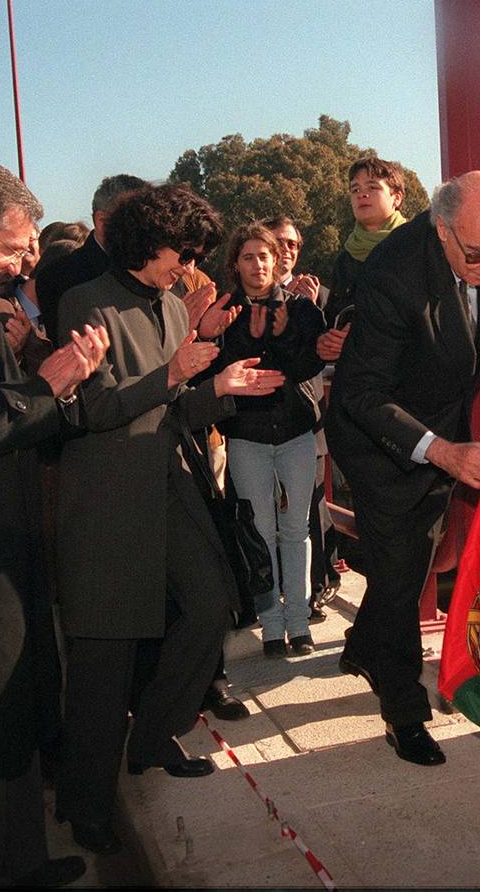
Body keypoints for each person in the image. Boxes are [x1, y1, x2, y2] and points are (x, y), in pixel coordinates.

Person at [55, 185, 283, 857]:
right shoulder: (83, 302)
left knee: (211, 608)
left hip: (170, 490)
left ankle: (153, 738)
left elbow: (174, 413)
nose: (186, 267)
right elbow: (90, 413)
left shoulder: (165, 307)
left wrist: (214, 389)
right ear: (145, 242)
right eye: (181, 254)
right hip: (107, 503)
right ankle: (86, 804)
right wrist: (174, 374)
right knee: (104, 658)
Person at [326, 170, 480, 767]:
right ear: (441, 230)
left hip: (442, 432)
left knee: (405, 568)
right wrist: (439, 450)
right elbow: (361, 393)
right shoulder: (390, 274)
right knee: (399, 565)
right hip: (380, 441)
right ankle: (403, 715)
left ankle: (362, 648)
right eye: (478, 254)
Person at [0, 158, 109, 886]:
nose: (18, 265)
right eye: (10, 248)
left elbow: (1, 415)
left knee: (11, 715)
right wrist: (44, 389)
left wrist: (54, 390)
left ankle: (23, 863)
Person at [215, 222, 326, 658]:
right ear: (235, 264)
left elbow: (309, 364)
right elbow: (223, 369)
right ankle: (271, 624)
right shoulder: (226, 312)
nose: (258, 264)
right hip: (247, 435)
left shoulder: (300, 308)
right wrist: (251, 339)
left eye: (265, 256)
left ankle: (298, 622)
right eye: (248, 256)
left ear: (277, 259)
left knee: (296, 529)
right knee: (259, 531)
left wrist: (282, 337)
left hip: (295, 431)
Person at [264, 216, 340, 623]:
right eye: (279, 242)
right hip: (258, 420)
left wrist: (312, 309)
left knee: (311, 509)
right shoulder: (251, 295)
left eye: (293, 244)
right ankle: (273, 591)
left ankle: (314, 590)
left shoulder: (319, 293)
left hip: (306, 417)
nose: (287, 250)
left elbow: (334, 346)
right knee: (266, 511)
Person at [36, 173, 148, 341]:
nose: (147, 232)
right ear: (102, 221)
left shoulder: (158, 274)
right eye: (135, 221)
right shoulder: (58, 277)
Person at [319, 156, 409, 363]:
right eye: (355, 189)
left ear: (396, 197)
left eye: (372, 187)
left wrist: (358, 342)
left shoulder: (414, 247)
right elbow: (335, 315)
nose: (362, 195)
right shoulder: (346, 257)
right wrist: (326, 343)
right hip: (355, 381)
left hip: (404, 382)